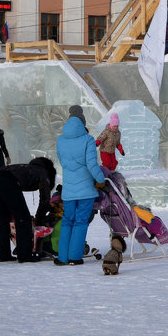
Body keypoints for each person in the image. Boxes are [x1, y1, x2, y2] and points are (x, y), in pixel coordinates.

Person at [54, 105, 106, 265]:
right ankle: (74, 257)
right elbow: (92, 164)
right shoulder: (88, 140)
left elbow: (63, 162)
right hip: (85, 190)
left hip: (69, 190)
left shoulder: (60, 140)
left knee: (67, 220)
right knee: (81, 221)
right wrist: (101, 179)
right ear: (83, 124)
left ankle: (62, 257)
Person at [0, 156, 56, 262]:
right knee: (23, 219)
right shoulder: (43, 173)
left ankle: (3, 254)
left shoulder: (26, 168)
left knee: (2, 220)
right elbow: (45, 201)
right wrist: (39, 218)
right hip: (8, 182)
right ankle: (25, 255)